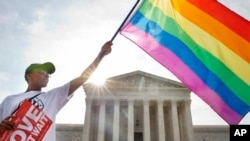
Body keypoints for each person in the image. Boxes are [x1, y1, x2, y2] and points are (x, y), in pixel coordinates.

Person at [0, 41, 113, 140]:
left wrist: (101, 54)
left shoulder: (52, 97)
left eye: (48, 74)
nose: (47, 76)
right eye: (42, 72)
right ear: (29, 75)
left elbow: (82, 78)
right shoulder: (9, 100)